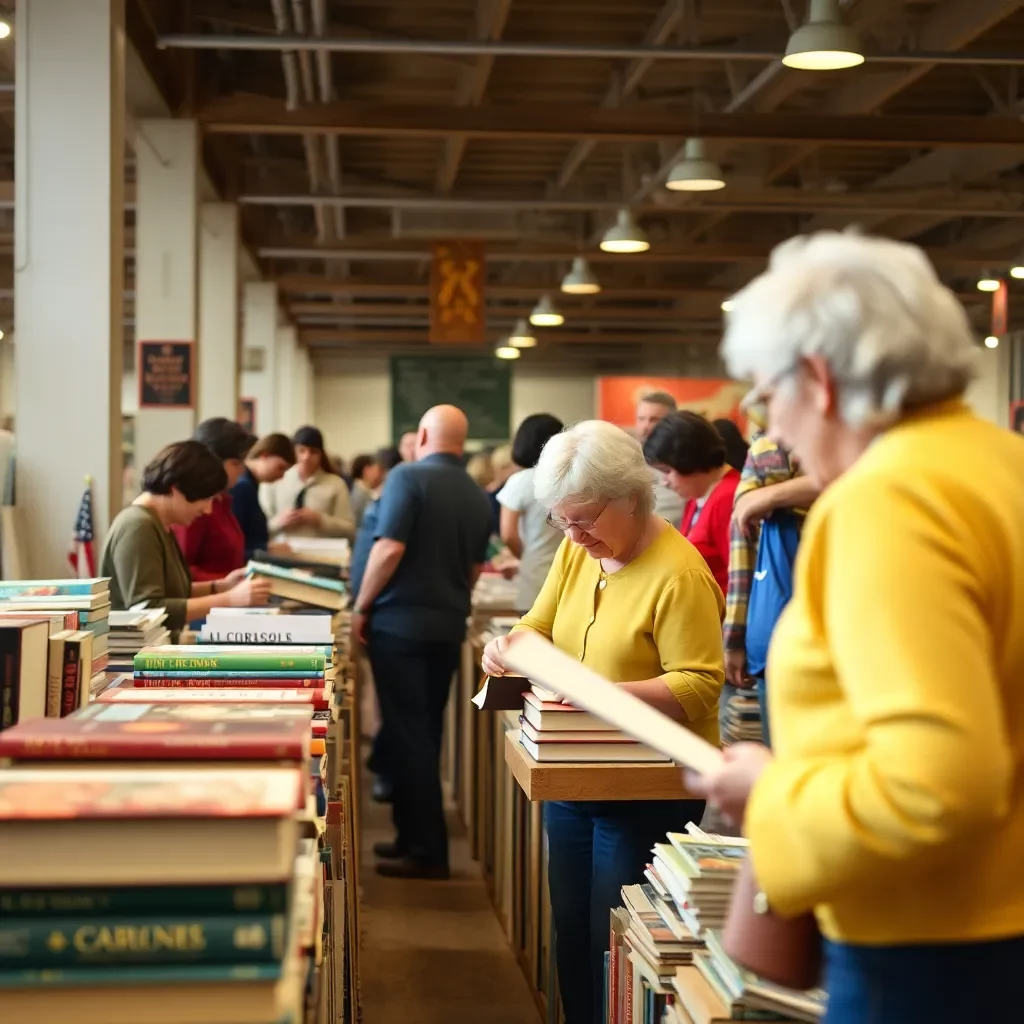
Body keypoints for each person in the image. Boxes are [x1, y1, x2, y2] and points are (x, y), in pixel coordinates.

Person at [691, 231, 1024, 1024]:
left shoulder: (889, 500)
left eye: (768, 396)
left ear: (819, 380)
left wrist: (771, 794)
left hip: (933, 945)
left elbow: (934, 785)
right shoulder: (999, 464)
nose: (771, 423)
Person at [480, 420, 724, 1024]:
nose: (574, 535)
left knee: (612, 943)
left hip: (647, 787)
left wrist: (600, 696)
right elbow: (538, 622)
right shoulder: (576, 548)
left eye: (584, 519)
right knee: (571, 933)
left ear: (632, 497)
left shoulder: (680, 574)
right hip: (572, 774)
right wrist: (508, 646)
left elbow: (699, 683)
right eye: (561, 521)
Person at [353, 405, 492, 880]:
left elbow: (388, 548)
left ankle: (427, 851)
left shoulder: (407, 478)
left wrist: (361, 605)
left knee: (407, 734)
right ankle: (412, 837)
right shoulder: (477, 494)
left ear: (426, 434)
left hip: (400, 627)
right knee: (424, 732)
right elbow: (474, 569)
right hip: (447, 626)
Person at [100, 441, 271, 641]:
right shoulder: (138, 526)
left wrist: (220, 586)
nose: (207, 510)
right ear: (176, 490)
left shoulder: (159, 523)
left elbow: (170, 589)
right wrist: (230, 599)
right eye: (205, 499)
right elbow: (148, 609)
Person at [722, 430, 817, 745]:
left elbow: (742, 546)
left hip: (785, 623)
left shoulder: (771, 445)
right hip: (808, 621)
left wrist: (772, 496)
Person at [643, 412, 740, 595]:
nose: (665, 481)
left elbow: (738, 581)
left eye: (668, 471)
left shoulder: (727, 499)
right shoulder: (698, 497)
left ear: (689, 460)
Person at [171, 418, 256, 582]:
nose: (242, 470)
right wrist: (224, 583)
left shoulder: (223, 500)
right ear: (212, 462)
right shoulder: (194, 506)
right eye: (236, 463)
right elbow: (181, 572)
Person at [497, 413, 564, 613]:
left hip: (534, 576)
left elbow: (508, 533)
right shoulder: (568, 480)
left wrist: (524, 557)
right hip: (567, 571)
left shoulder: (520, 481)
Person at [263, 426, 355, 542]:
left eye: (313, 452)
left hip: (322, 553)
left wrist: (320, 520)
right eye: (301, 450)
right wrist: (279, 522)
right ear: (293, 451)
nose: (306, 457)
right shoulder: (276, 480)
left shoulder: (336, 484)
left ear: (321, 454)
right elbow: (258, 526)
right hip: (281, 552)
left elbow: (349, 530)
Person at [230, 432, 297, 562]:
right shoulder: (243, 486)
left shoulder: (251, 484)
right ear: (264, 455)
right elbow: (233, 543)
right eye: (280, 468)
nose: (281, 476)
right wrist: (268, 549)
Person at [635, 391, 683, 527]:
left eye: (654, 419)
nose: (646, 426)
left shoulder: (686, 466)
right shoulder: (625, 461)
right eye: (641, 419)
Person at [349, 453, 383, 529]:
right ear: (367, 470)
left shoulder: (362, 491)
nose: (381, 474)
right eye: (378, 469)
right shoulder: (360, 495)